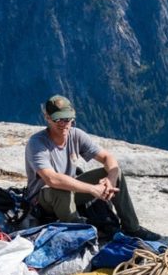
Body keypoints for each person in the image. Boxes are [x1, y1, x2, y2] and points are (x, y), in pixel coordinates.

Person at [24, 95, 160, 241]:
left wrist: (111, 179)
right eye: (58, 119)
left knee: (116, 172)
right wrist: (92, 189)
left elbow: (108, 158)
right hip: (44, 200)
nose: (64, 123)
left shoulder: (76, 135)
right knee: (61, 189)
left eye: (68, 118)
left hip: (70, 193)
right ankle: (81, 233)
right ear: (47, 118)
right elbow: (52, 179)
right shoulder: (37, 143)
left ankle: (132, 228)